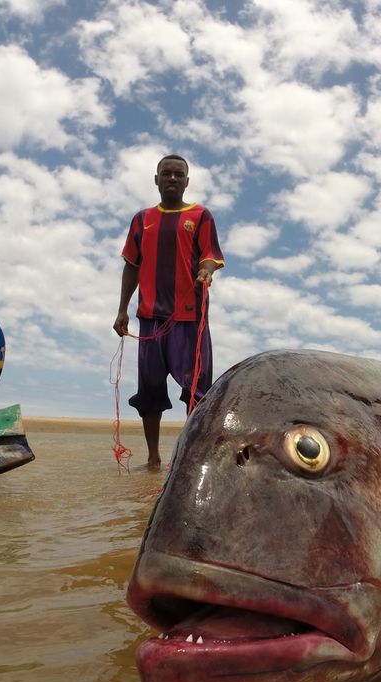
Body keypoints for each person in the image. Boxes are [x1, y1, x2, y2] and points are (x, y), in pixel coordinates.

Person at [113, 155, 224, 468]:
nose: (172, 178)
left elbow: (210, 256)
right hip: (149, 319)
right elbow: (132, 266)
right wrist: (122, 310)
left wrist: (206, 272)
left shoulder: (200, 215)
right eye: (167, 173)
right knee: (149, 393)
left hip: (189, 320)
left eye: (179, 174)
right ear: (157, 179)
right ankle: (153, 459)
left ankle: (191, 458)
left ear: (187, 182)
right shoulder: (142, 219)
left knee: (197, 393)